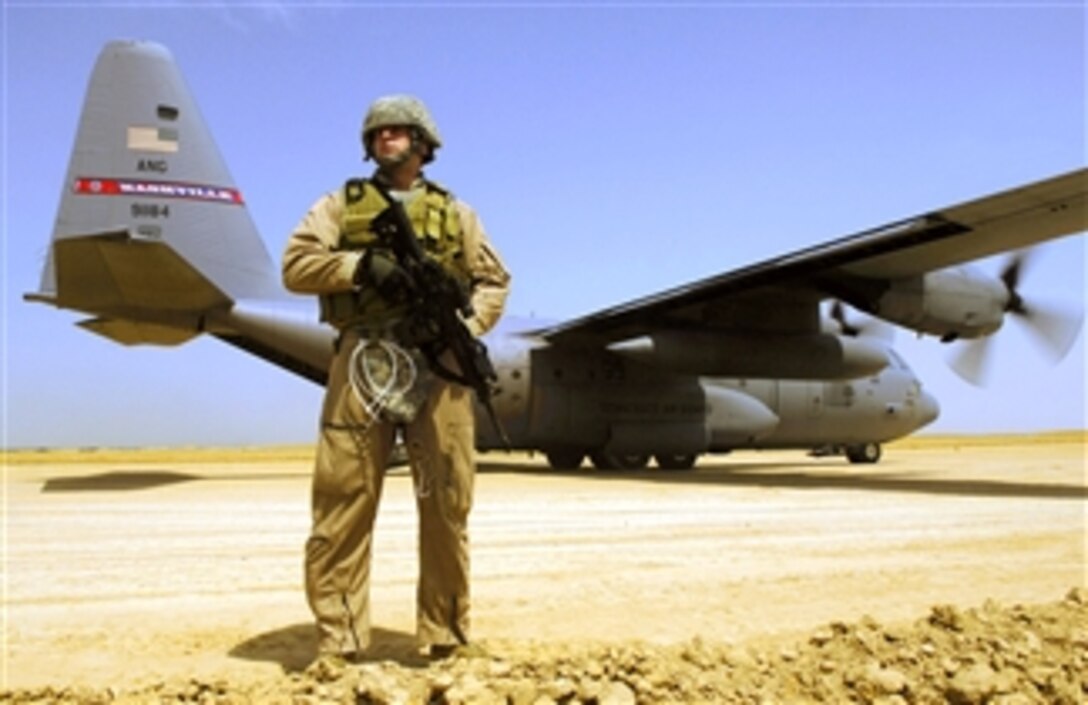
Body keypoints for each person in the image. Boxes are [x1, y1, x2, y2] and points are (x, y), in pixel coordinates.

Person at [282, 95, 510, 662]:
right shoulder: (341, 204)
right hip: (365, 361)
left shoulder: (457, 213)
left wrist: (465, 324)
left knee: (445, 504)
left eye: (398, 130)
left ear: (423, 143)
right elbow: (295, 264)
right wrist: (360, 267)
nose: (385, 138)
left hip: (438, 366)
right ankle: (340, 640)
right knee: (343, 501)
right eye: (377, 132)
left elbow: (494, 280)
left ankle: (446, 634)